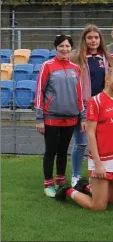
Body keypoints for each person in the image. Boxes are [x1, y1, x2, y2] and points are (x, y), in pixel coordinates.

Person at [55, 65, 113, 211]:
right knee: (99, 206)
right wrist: (98, 163)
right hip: (102, 158)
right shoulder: (97, 101)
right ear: (107, 79)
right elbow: (90, 134)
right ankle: (68, 190)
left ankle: (86, 186)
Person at [35, 34, 85, 197]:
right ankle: (48, 183)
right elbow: (39, 93)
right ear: (56, 48)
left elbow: (79, 95)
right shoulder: (47, 66)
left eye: (67, 46)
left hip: (71, 118)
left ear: (71, 48)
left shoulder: (76, 68)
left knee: (64, 151)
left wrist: (82, 116)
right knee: (51, 150)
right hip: (51, 117)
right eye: (61, 46)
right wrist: (39, 118)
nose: (65, 49)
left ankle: (61, 181)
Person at [70, 24, 112, 187]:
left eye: (96, 37)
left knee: (100, 142)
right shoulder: (76, 57)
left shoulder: (106, 57)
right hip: (84, 106)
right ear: (84, 40)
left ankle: (99, 172)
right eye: (90, 37)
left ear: (100, 39)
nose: (93, 40)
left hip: (102, 104)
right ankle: (75, 176)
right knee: (81, 142)